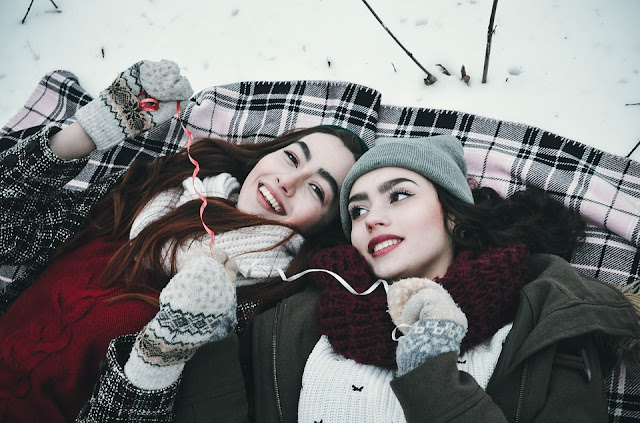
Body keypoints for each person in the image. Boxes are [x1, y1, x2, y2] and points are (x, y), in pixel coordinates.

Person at [78, 135, 640, 422]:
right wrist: (217, 342)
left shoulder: (545, 317)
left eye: (399, 196)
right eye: (358, 210)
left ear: (451, 212)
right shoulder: (305, 315)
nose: (374, 216)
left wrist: (432, 375)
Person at [0, 59, 365, 422]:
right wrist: (82, 135)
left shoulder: (249, 309)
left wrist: (163, 353)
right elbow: (11, 234)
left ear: (322, 228)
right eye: (291, 157)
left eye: (316, 189)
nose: (289, 180)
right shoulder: (155, 192)